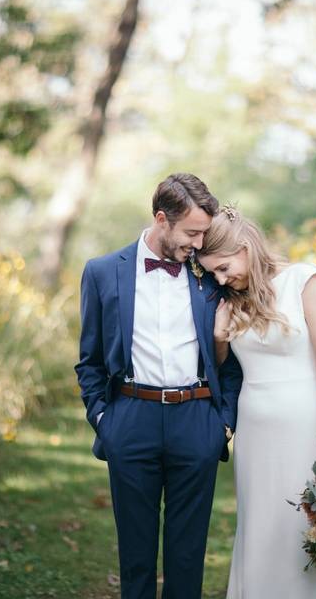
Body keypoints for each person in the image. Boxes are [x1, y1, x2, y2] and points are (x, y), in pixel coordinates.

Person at [75, 174, 243, 599]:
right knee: (136, 552)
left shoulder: (211, 276)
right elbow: (90, 359)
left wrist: (222, 423)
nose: (200, 242)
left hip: (197, 419)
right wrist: (102, 418)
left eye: (204, 232)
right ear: (161, 219)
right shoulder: (101, 272)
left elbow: (235, 360)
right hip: (130, 418)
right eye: (191, 232)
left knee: (188, 555)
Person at [197, 206, 316, 599]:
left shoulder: (305, 280)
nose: (221, 278)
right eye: (214, 273)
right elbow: (223, 371)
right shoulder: (231, 301)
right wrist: (219, 339)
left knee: (305, 525)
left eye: (223, 266)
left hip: (307, 426)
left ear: (244, 245)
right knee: (261, 525)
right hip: (255, 433)